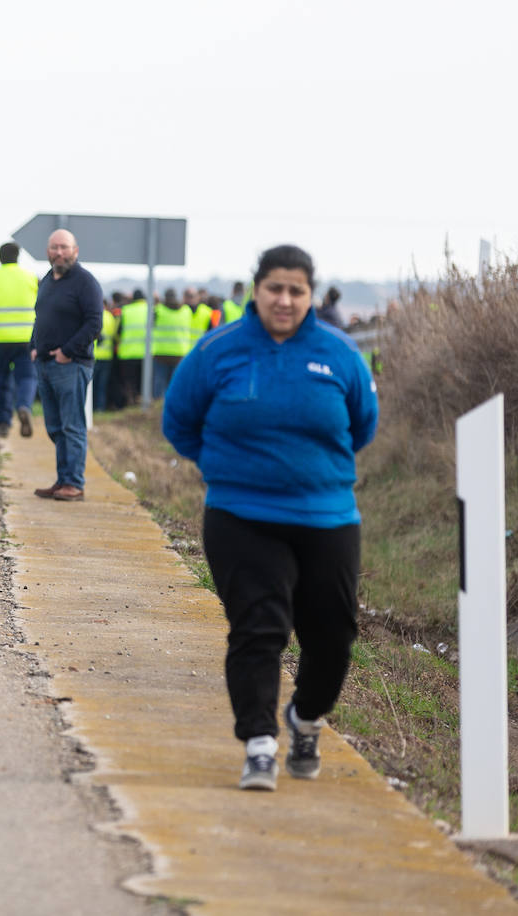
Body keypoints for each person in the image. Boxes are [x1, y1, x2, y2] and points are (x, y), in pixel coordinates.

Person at [162, 244, 379, 791]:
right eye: (274, 289)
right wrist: (221, 468)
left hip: (327, 514)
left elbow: (363, 425)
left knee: (332, 635)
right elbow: (180, 421)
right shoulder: (219, 350)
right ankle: (258, 744)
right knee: (260, 627)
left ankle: (304, 719)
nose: (284, 300)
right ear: (256, 290)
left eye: (296, 291)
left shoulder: (340, 353)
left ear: (310, 295)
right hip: (242, 514)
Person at [29, 229, 103, 501]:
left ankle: (74, 483)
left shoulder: (85, 282)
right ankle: (62, 481)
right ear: (48, 252)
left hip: (71, 365)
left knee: (72, 427)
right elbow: (40, 318)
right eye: (54, 248)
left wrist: (67, 352)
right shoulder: (48, 280)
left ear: (75, 250)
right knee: (55, 427)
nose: (58, 252)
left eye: (64, 247)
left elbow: (95, 324)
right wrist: (33, 347)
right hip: (46, 364)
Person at [0, 242, 39, 438]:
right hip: (27, 338)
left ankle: (4, 422)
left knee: (0, 380)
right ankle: (24, 406)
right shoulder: (31, 278)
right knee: (28, 377)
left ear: (0, 257)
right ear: (18, 256)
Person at [151, 287, 193, 396]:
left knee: (159, 385)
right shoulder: (186, 310)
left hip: (161, 353)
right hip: (180, 353)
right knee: (176, 385)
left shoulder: (158, 310)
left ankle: (157, 409)